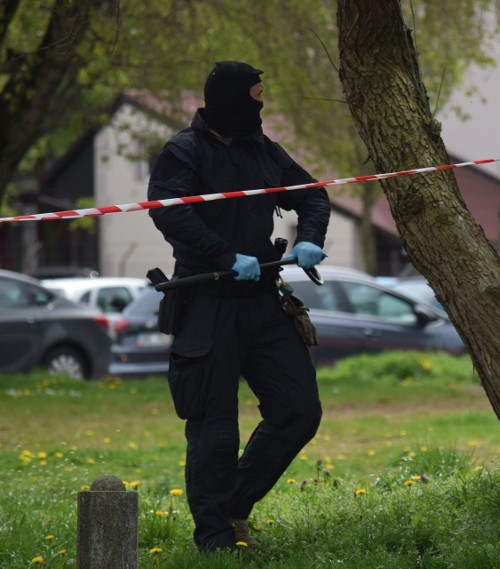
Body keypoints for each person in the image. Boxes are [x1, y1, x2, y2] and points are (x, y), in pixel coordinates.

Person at [147, 60, 330, 552]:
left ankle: (232, 508)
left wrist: (310, 237)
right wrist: (225, 255)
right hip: (207, 302)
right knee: (215, 433)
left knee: (298, 411)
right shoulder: (183, 152)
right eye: (254, 94)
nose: (261, 102)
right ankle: (215, 544)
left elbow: (313, 195)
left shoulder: (263, 149)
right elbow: (168, 213)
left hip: (263, 302)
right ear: (228, 98)